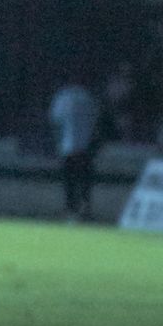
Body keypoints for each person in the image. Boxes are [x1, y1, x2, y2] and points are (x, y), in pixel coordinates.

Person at [48, 77, 102, 221]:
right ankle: (85, 209)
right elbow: (96, 123)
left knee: (69, 181)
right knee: (84, 181)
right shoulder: (88, 97)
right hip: (85, 148)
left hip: (68, 147)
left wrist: (57, 144)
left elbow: (56, 121)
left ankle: (71, 209)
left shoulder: (63, 97)